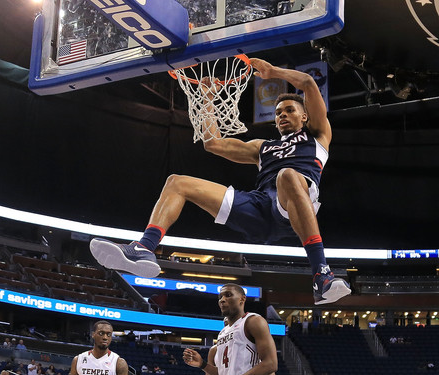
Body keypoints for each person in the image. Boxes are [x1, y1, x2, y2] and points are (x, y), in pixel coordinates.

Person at [89, 58, 350, 306]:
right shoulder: (263, 147)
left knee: (287, 175)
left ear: (304, 116)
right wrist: (208, 100)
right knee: (177, 182)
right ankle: (144, 247)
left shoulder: (318, 136)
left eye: (289, 110)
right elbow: (213, 143)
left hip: (293, 208)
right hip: (259, 208)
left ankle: (321, 275)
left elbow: (308, 83)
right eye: (278, 111)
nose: (281, 115)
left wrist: (274, 72)